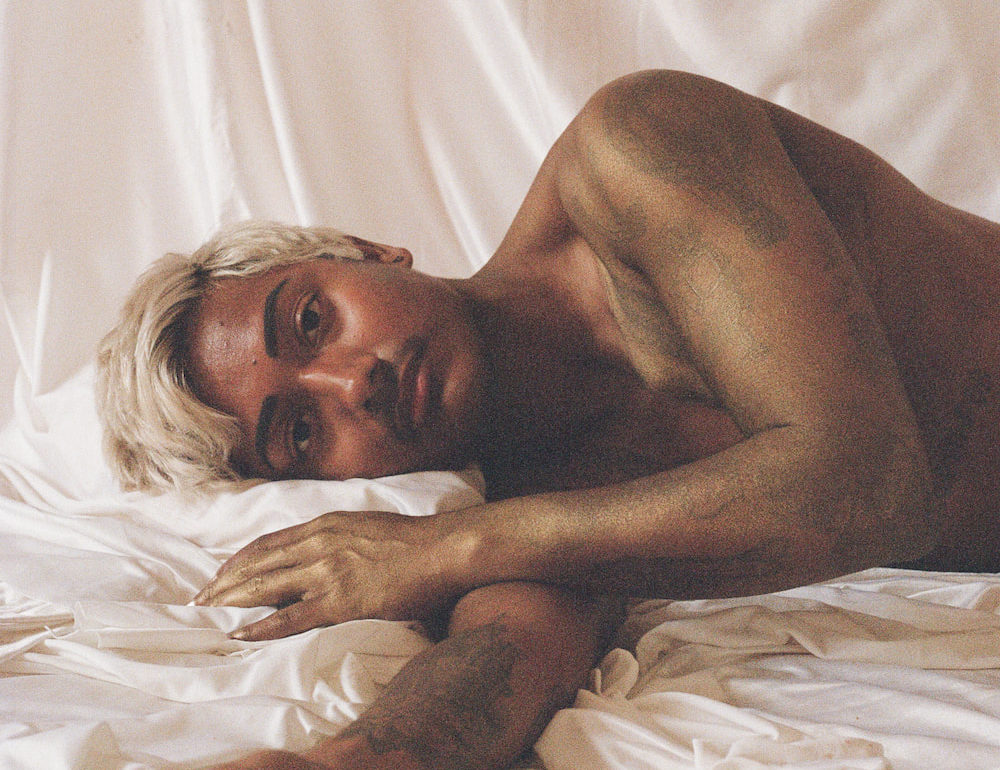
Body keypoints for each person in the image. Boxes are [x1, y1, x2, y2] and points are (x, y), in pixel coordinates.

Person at [97, 69, 1000, 769]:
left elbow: (871, 483)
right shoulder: (547, 500)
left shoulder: (636, 147)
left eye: (310, 319)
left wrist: (450, 548)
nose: (352, 383)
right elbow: (504, 661)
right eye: (300, 432)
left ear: (369, 252)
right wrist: (339, 762)